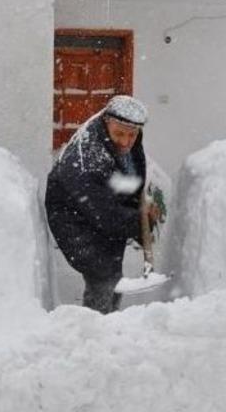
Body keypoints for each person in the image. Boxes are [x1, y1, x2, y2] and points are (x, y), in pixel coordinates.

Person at [45, 95, 159, 314]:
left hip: (98, 210)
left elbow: (125, 176)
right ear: (107, 122)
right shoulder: (87, 159)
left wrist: (138, 206)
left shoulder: (115, 135)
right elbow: (106, 215)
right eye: (120, 134)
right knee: (103, 274)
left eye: (132, 135)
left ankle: (108, 317)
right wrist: (140, 219)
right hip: (75, 219)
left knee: (112, 265)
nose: (126, 141)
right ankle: (97, 326)